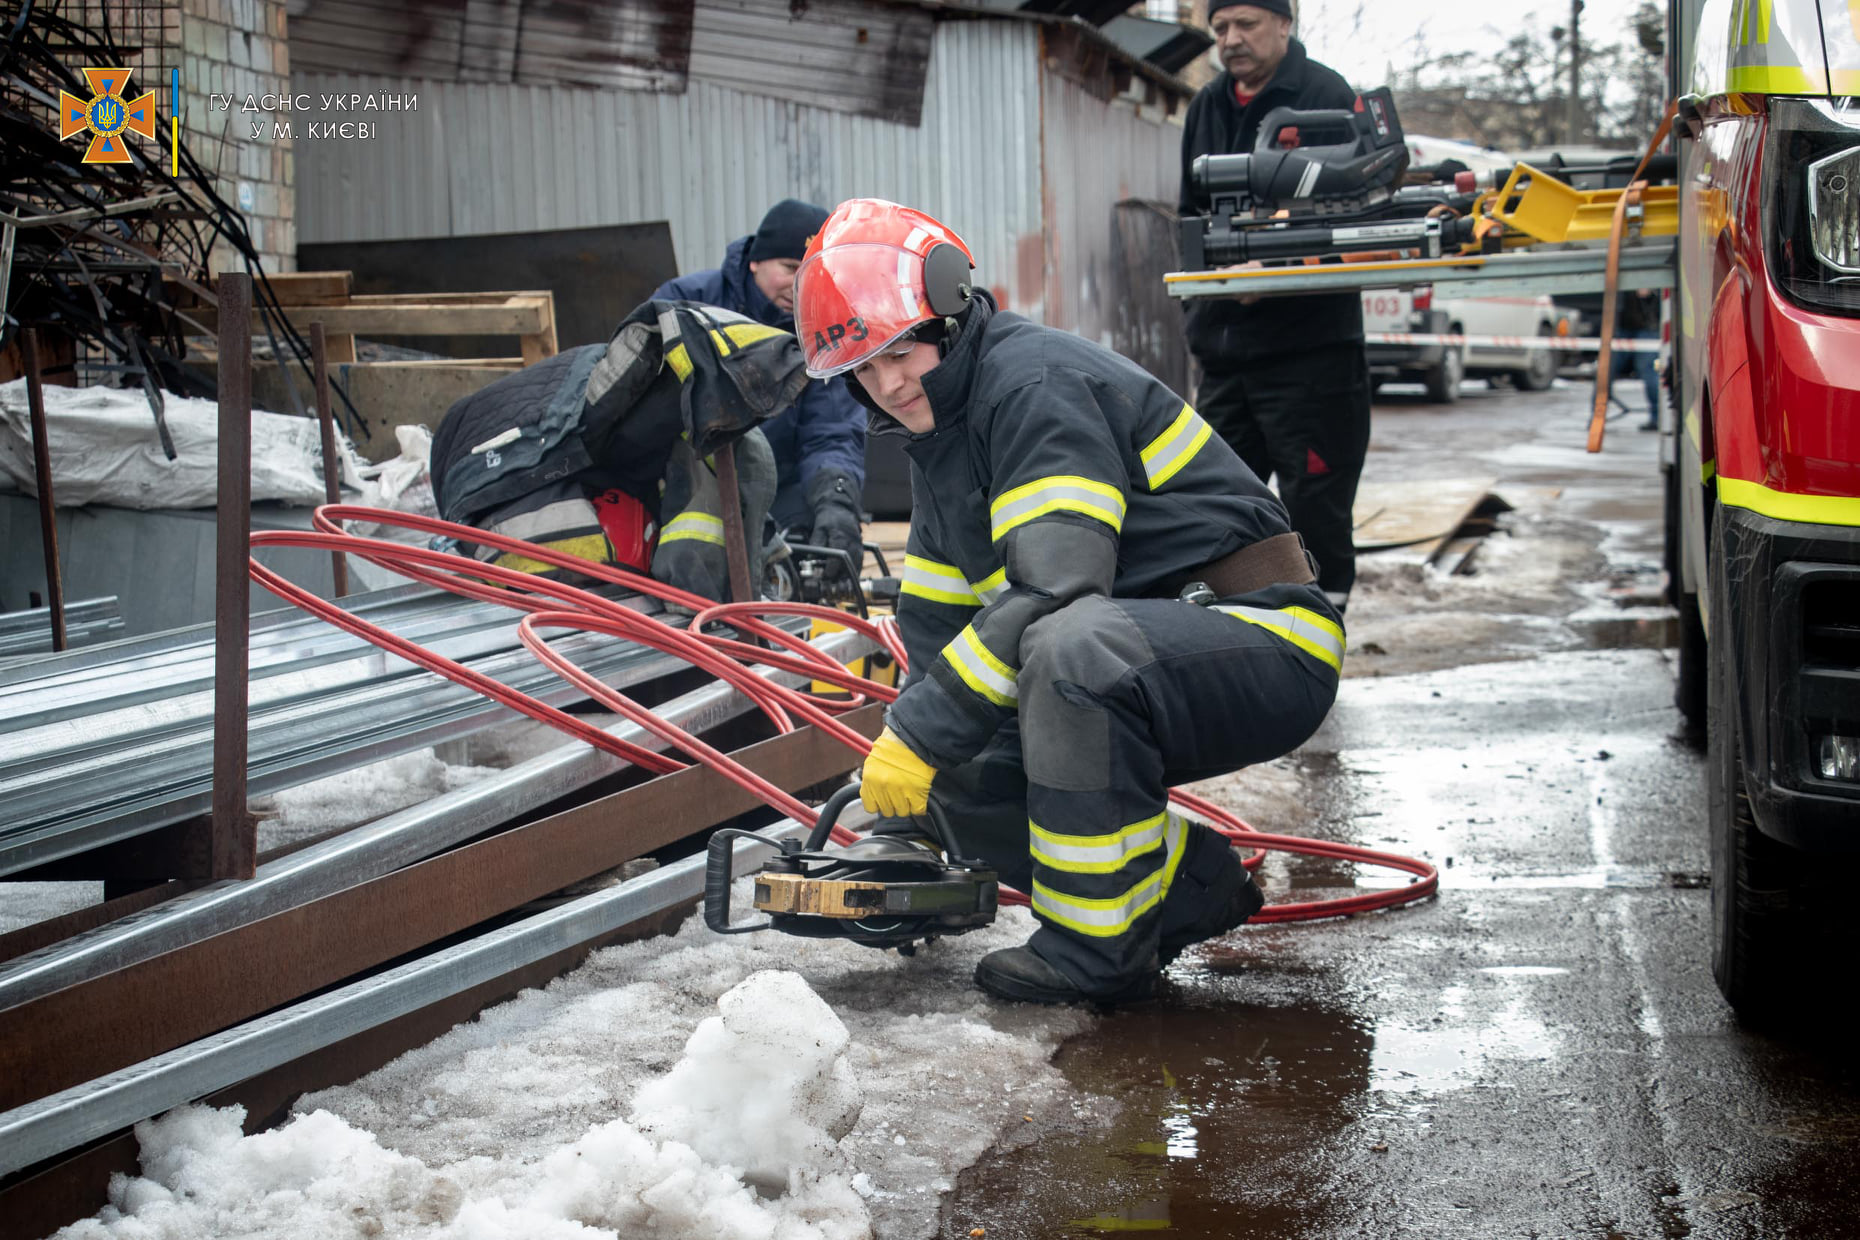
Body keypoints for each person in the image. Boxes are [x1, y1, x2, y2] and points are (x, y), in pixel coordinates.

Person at [794, 199, 1344, 1005]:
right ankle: (1183, 887)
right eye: (865, 373)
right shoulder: (941, 445)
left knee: (1066, 648)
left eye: (901, 352)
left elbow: (1059, 584)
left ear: (948, 315)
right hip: (1144, 653)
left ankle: (1095, 953)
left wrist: (921, 734)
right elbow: (940, 638)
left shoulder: (1035, 385)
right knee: (958, 761)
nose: (890, 385)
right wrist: (906, 810)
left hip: (1264, 634)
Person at [1177, 0, 1370, 612]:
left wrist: (1281, 273)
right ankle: (1241, 636)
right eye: (1221, 29)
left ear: (1284, 25)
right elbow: (1191, 215)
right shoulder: (1207, 105)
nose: (1231, 40)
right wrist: (1203, 308)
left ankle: (1324, 638)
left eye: (1246, 25)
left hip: (1309, 355)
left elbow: (1358, 219)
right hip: (1227, 353)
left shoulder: (1325, 95)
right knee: (1213, 502)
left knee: (1316, 506)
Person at [655, 199, 867, 564]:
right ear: (755, 260)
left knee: (811, 547)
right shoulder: (685, 304)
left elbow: (831, 431)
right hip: (685, 482)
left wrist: (837, 502)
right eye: (789, 268)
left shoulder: (828, 330)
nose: (799, 285)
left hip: (777, 489)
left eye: (813, 273)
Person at [1599, 290, 1663, 430]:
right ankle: (1596, 417)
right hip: (1620, 324)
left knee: (1650, 372)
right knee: (1605, 371)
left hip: (1647, 326)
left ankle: (1657, 418)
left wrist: (1652, 291)